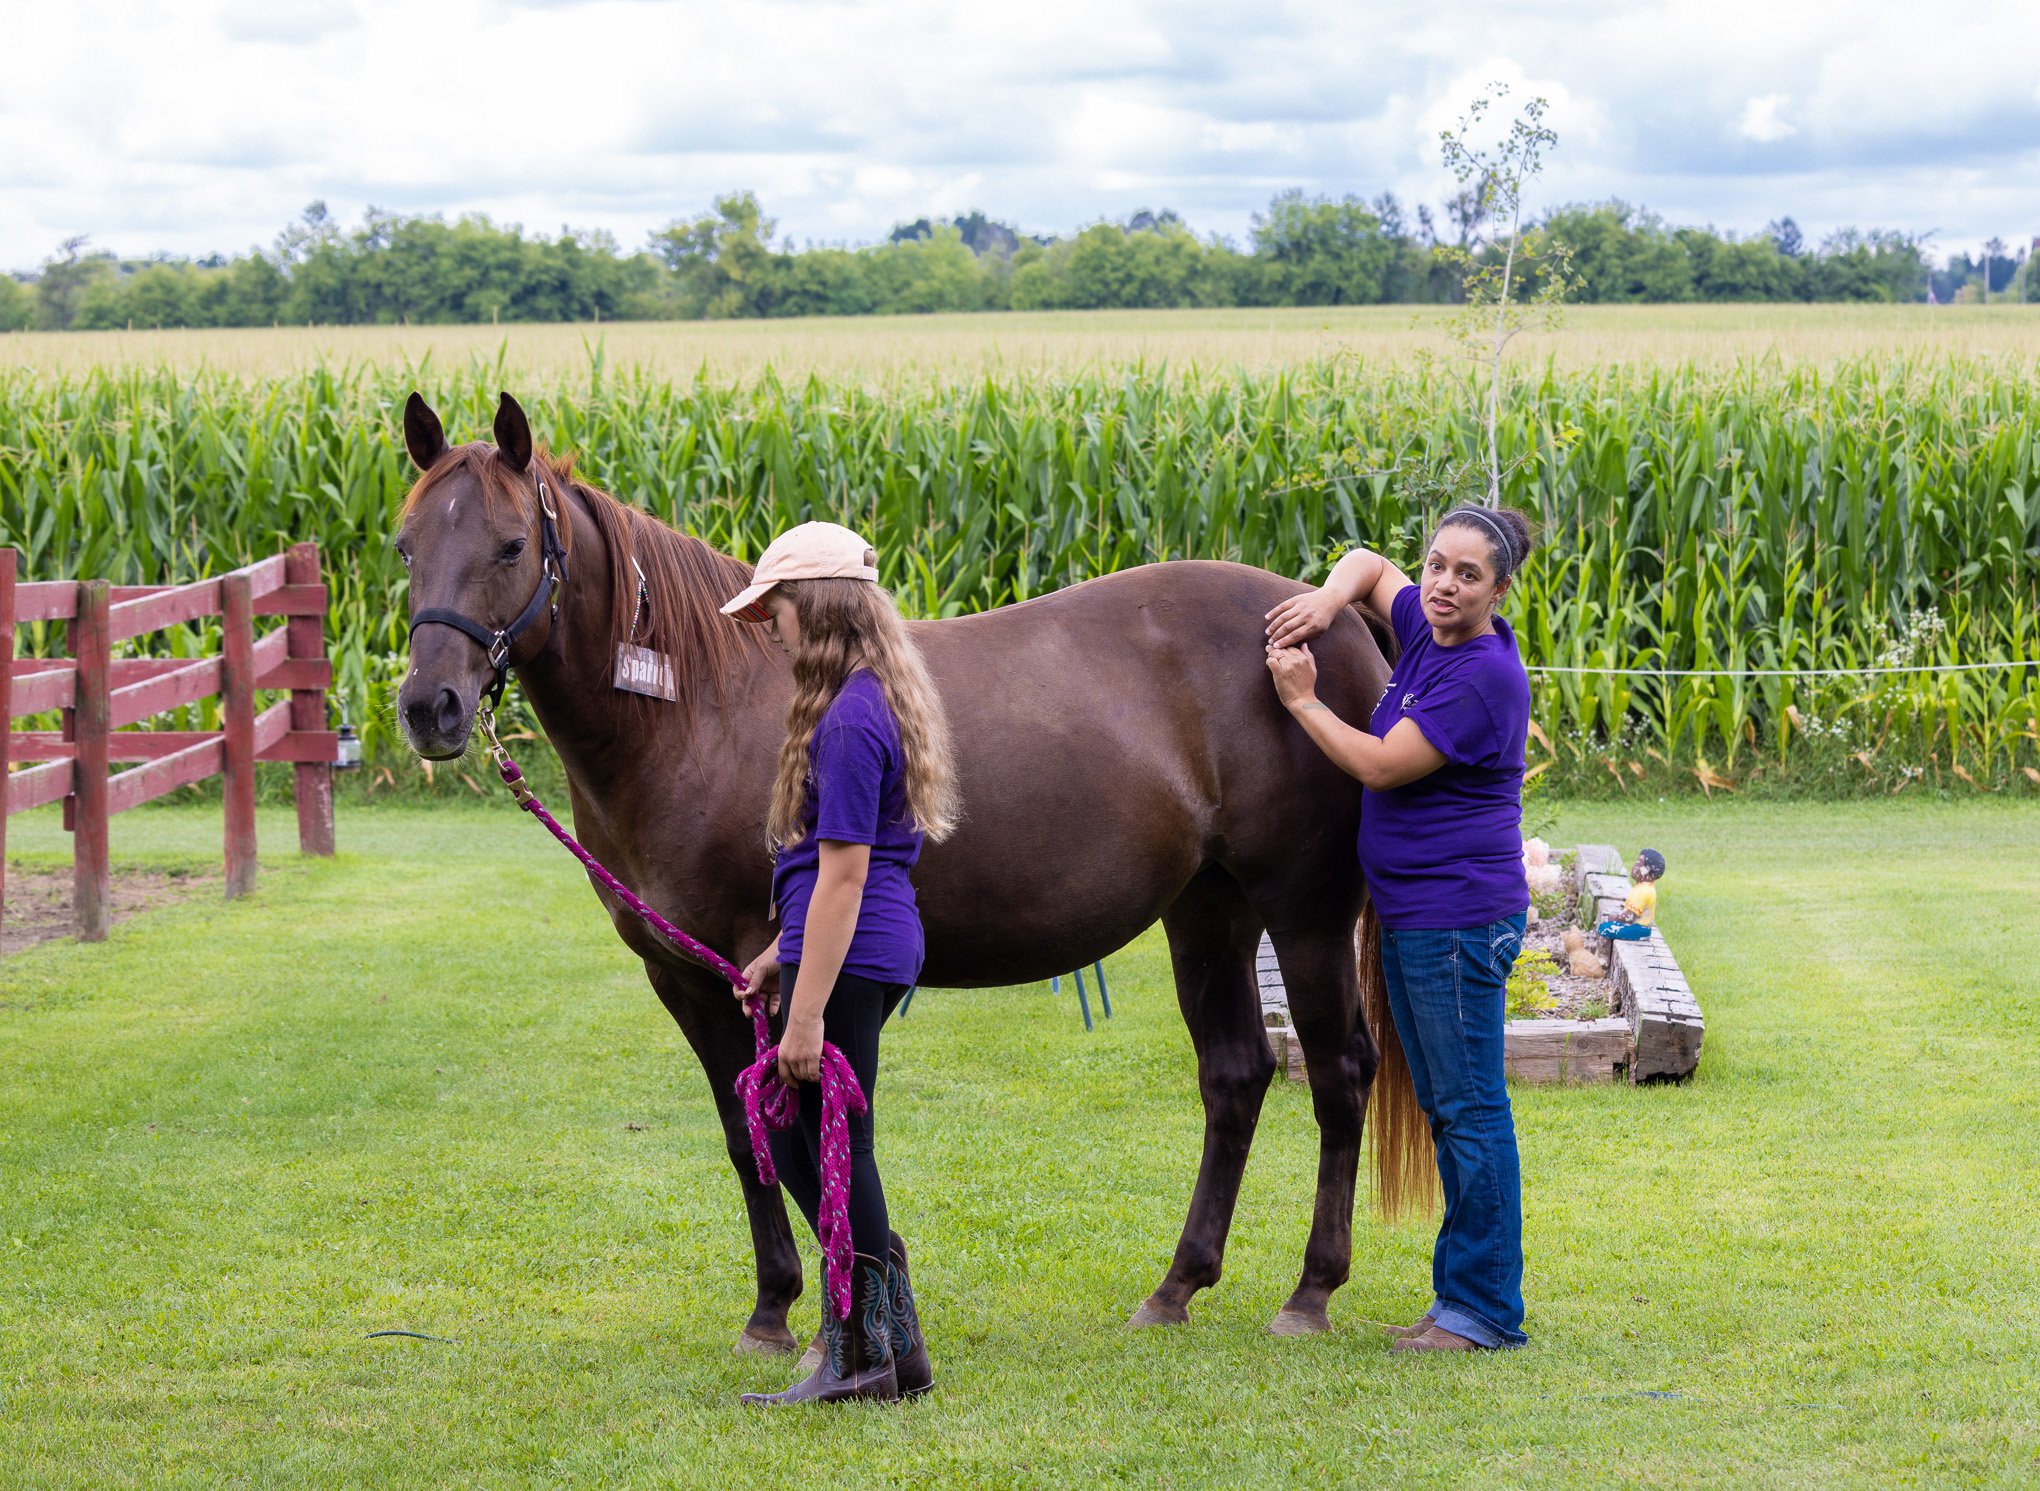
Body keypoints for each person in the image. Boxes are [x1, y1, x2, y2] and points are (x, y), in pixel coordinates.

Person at [1263, 507, 1536, 1353]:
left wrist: (1303, 701)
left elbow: (1382, 764)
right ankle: (1460, 1298)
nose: (1445, 585)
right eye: (1439, 566)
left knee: (1467, 1108)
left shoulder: (1482, 675)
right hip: (1426, 911)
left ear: (1499, 588)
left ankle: (1483, 1309)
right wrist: (1325, 598)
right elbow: (1372, 565)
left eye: (1468, 575)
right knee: (1452, 1104)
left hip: (1453, 917)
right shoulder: (1428, 628)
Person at [720, 521, 961, 1405]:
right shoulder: (855, 701)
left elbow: (847, 871)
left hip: (855, 954)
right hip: (849, 949)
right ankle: (898, 1345)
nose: (769, 629)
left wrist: (808, 1007)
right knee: (806, 1138)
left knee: (833, 1143)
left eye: (775, 611)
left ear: (815, 608)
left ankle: (860, 1354)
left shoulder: (854, 717)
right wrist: (782, 955)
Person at [1598, 849, 1665, 943]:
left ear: (1646, 870)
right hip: (1640, 929)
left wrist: (1616, 917)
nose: (1634, 866)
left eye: (1638, 863)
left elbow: (1630, 917)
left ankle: (1601, 957)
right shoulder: (1644, 887)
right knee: (1609, 924)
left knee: (1605, 928)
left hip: (1639, 930)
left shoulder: (1643, 891)